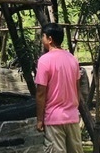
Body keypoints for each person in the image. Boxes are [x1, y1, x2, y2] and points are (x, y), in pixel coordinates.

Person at [35, 22, 84, 153]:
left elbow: (41, 93)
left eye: (43, 36)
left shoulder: (44, 60)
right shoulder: (73, 59)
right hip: (72, 117)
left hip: (53, 119)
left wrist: (40, 119)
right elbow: (77, 88)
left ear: (49, 39)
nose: (42, 39)